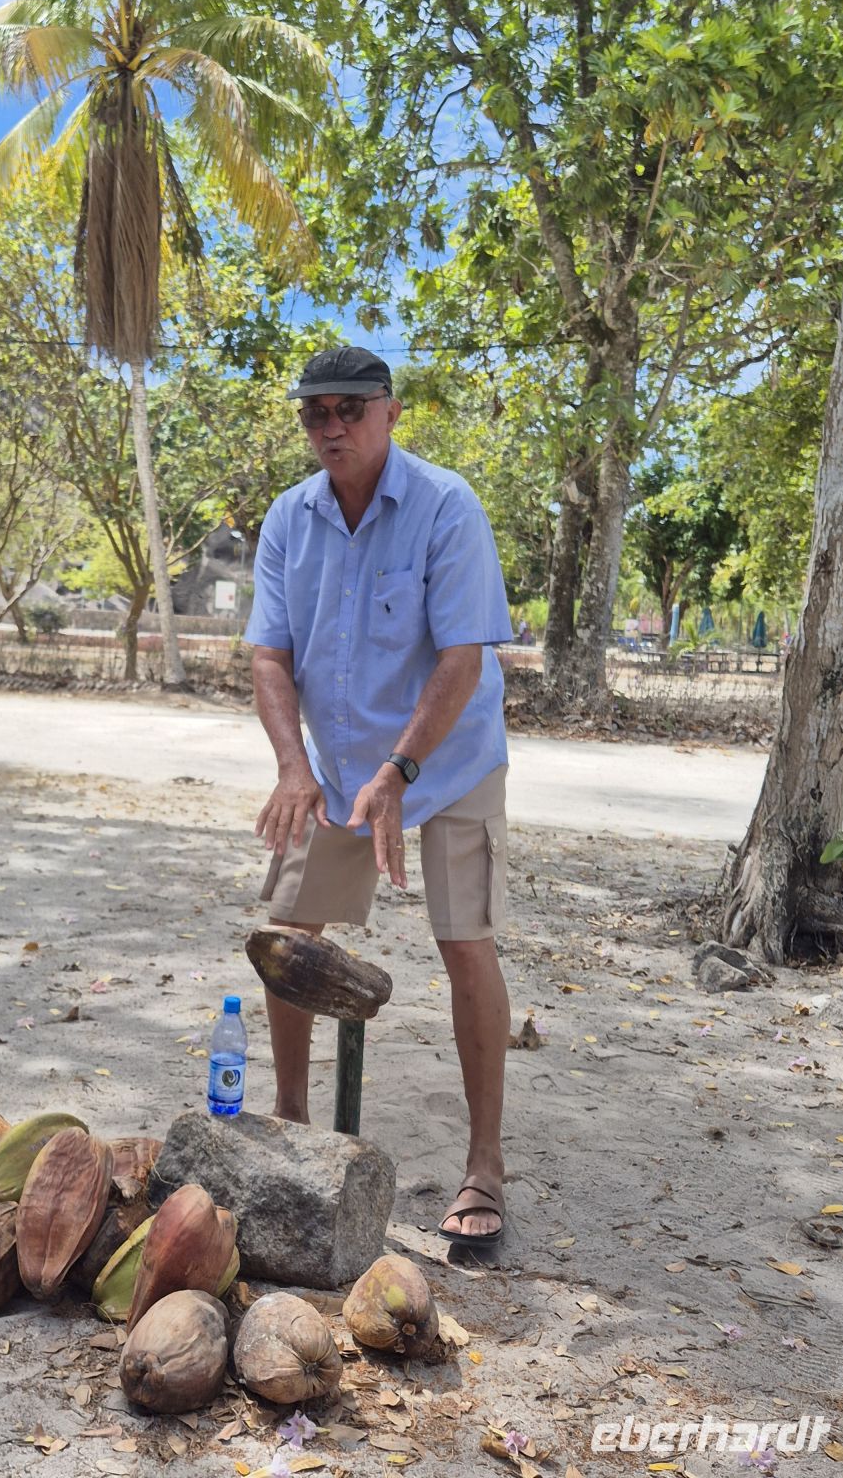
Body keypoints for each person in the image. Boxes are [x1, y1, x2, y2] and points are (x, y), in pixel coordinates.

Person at [244, 345, 515, 1249]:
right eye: (314, 413)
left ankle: (484, 1165)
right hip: (335, 763)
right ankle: (289, 1118)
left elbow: (463, 658)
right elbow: (270, 656)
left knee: (464, 940)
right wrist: (293, 767)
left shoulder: (446, 506)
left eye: (350, 410)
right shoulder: (289, 518)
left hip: (450, 759)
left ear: (391, 413)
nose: (331, 428)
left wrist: (399, 772)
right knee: (289, 937)